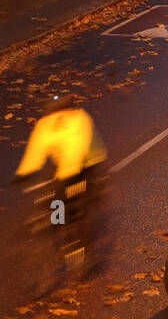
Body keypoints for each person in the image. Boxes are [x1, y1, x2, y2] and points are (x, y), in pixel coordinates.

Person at [15, 95, 107, 263]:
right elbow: (37, 149)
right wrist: (25, 172)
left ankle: (87, 251)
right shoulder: (44, 125)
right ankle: (59, 221)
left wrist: (64, 179)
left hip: (87, 162)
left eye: (62, 112)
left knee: (80, 207)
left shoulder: (80, 120)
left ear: (69, 110)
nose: (58, 116)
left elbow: (76, 151)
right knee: (54, 196)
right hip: (61, 165)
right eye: (54, 113)